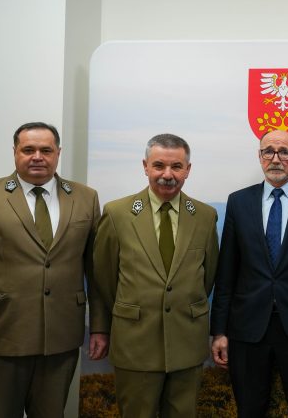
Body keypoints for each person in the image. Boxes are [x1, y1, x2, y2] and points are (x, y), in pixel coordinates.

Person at [92, 133, 219, 417]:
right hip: (135, 343)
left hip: (187, 343)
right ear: (145, 166)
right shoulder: (117, 213)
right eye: (159, 165)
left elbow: (207, 277)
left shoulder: (205, 216)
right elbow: (103, 279)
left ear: (188, 169)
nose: (167, 174)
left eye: (176, 167)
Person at [210, 130, 288, 417]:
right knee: (250, 410)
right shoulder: (239, 202)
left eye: (284, 152)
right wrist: (219, 331)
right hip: (247, 330)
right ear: (260, 156)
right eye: (268, 151)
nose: (276, 158)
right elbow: (226, 272)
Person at [0, 122, 105, 418]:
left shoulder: (85, 197)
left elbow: (97, 270)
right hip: (1, 331)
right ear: (15, 152)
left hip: (61, 335)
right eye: (28, 150)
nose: (37, 156)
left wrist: (100, 327)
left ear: (58, 153)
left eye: (45, 150)